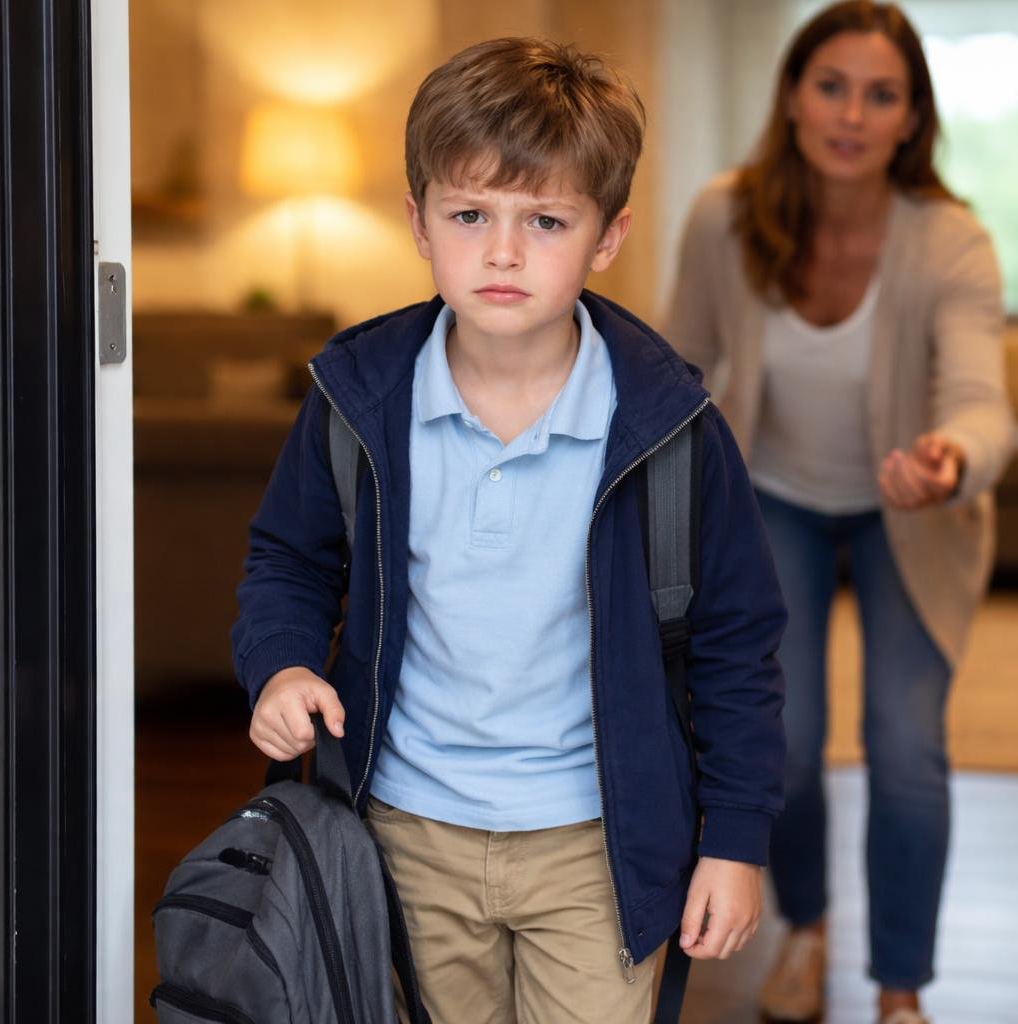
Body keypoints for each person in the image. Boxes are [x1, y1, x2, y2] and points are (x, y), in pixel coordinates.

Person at [230, 37, 787, 1024]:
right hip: (408, 833)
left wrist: (734, 841)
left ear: (607, 236)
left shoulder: (673, 427)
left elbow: (736, 646)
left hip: (601, 844)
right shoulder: (357, 400)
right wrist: (281, 665)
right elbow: (288, 560)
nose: (503, 252)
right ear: (419, 222)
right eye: (470, 215)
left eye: (546, 220)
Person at [662, 3, 1014, 1023]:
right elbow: (677, 364)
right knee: (781, 739)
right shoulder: (724, 216)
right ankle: (806, 929)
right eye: (831, 86)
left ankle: (900, 989)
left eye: (881, 94)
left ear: (912, 118)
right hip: (770, 497)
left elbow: (984, 401)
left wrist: (952, 458)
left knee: (906, 750)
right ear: (791, 95)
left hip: (912, 512)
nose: (851, 115)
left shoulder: (950, 240)